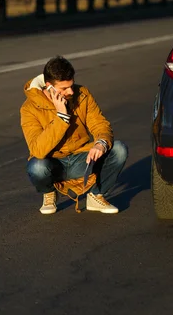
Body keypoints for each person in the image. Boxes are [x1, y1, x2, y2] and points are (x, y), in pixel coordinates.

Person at [20, 55, 128, 215]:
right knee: (36, 166)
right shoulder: (29, 108)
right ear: (48, 87)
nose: (70, 91)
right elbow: (38, 150)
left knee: (118, 149)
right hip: (53, 164)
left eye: (71, 85)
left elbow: (100, 124)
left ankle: (96, 195)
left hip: (81, 158)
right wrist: (62, 117)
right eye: (64, 89)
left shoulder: (82, 94)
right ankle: (49, 192)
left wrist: (101, 143)